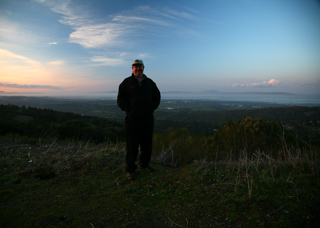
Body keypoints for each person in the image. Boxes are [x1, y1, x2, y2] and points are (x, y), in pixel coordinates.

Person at [117, 59, 161, 180]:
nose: (138, 68)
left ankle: (144, 164)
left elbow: (157, 96)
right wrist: (128, 109)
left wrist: (152, 108)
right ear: (132, 69)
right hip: (132, 119)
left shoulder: (150, 83)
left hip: (147, 119)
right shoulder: (126, 83)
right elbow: (120, 99)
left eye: (140, 66)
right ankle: (130, 169)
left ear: (143, 67)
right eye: (135, 67)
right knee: (132, 145)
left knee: (147, 144)